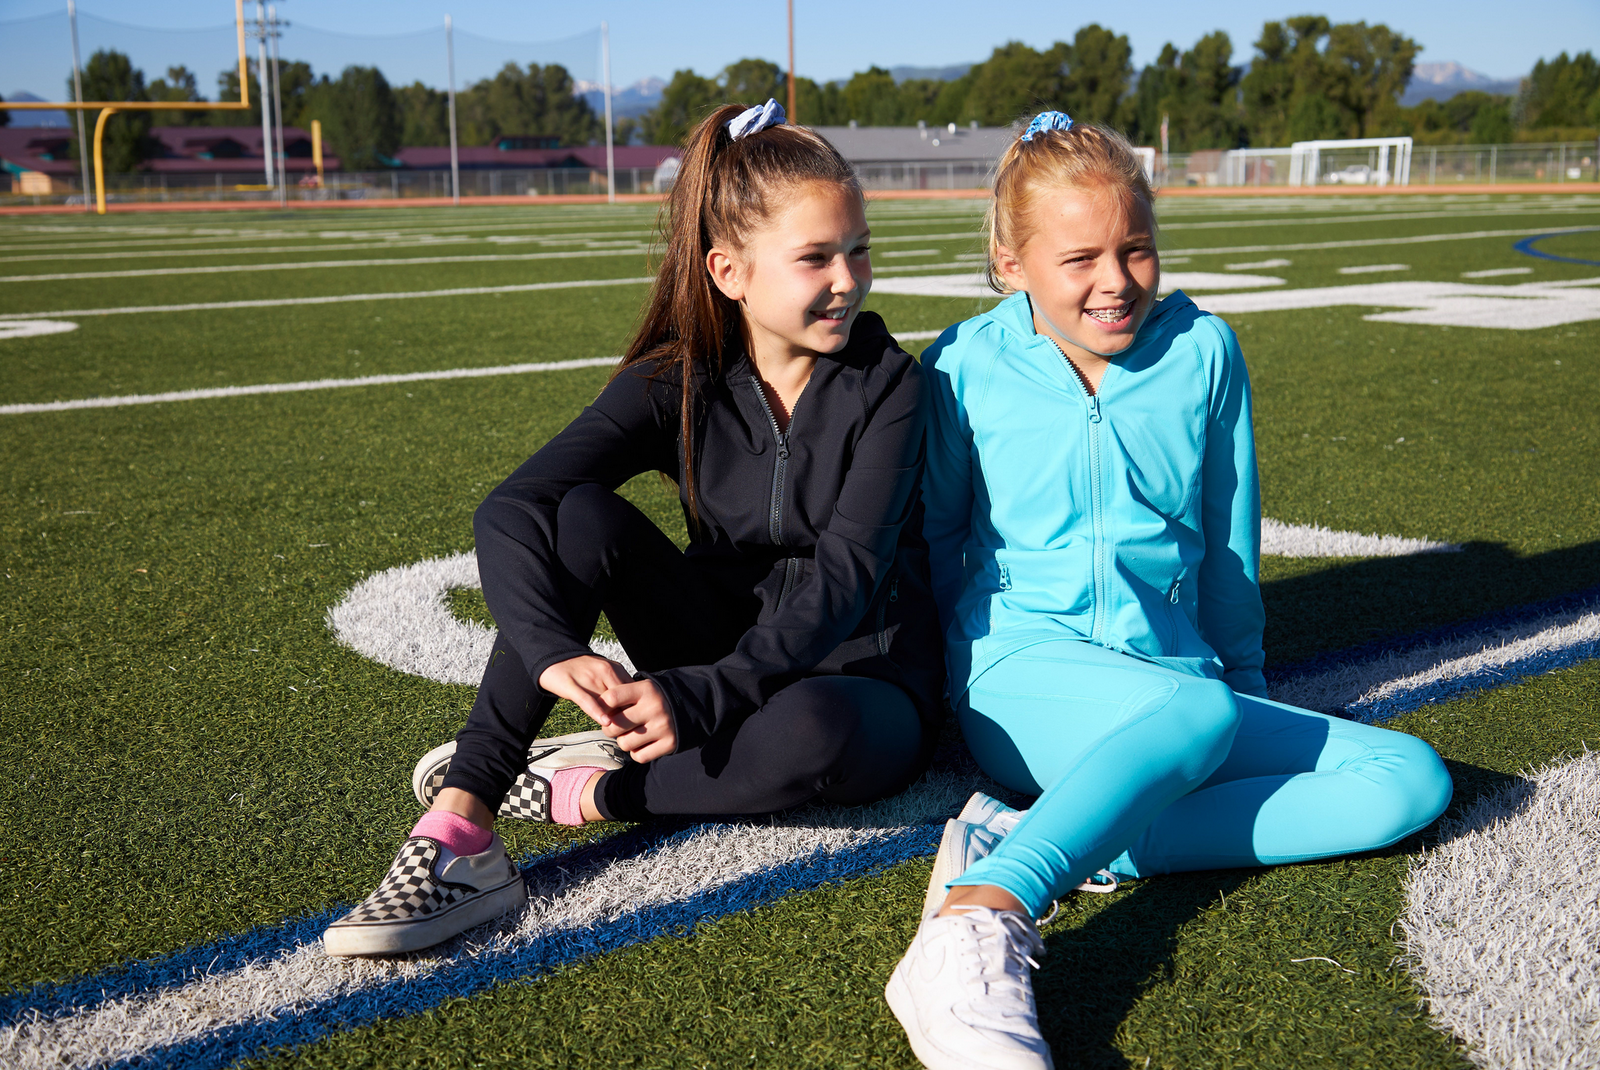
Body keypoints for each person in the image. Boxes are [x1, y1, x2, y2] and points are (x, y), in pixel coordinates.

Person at [884, 112, 1454, 1070]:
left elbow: (1231, 538)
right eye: (1080, 259)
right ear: (1011, 261)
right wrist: (955, 671)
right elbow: (941, 536)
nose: (1116, 281)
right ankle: (984, 911)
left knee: (1408, 779)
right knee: (1194, 713)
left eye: (1135, 249)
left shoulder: (1204, 352)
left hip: (1177, 684)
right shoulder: (963, 365)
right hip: (1022, 670)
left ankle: (1044, 832)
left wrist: (1248, 679)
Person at [324, 99, 944, 957]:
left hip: (860, 673)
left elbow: (848, 577)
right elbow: (514, 505)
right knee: (577, 518)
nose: (849, 279)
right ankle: (464, 821)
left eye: (858, 250)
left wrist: (704, 695)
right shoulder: (678, 377)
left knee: (813, 735)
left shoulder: (890, 385)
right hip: (717, 651)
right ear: (729, 272)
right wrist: (550, 652)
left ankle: (591, 792)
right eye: (816, 258)